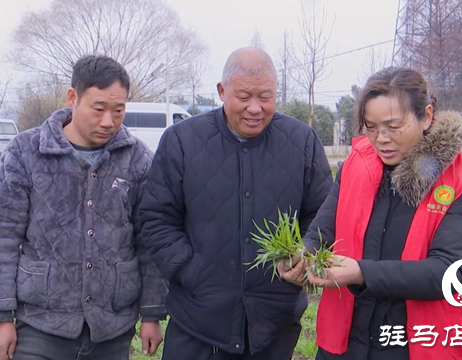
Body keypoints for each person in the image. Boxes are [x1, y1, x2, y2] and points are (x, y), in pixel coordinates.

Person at [139, 47, 333, 360]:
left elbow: (324, 214)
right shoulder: (182, 141)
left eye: (265, 97)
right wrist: (191, 270)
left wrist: (305, 253)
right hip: (197, 318)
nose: (255, 108)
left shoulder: (302, 141)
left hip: (273, 319)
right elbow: (157, 218)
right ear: (221, 91)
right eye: (243, 96)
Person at [281, 67, 462, 360]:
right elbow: (325, 226)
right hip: (345, 342)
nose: (382, 139)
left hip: (413, 345)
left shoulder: (461, 182)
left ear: (426, 116)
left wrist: (361, 273)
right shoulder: (357, 163)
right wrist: (304, 254)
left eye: (393, 126)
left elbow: (449, 273)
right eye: (371, 127)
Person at [0, 55, 167, 360]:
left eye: (118, 111)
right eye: (99, 109)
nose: (109, 121)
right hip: (41, 324)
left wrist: (151, 313)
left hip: (112, 328)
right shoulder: (27, 152)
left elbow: (149, 241)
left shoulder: (136, 158)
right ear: (72, 97)